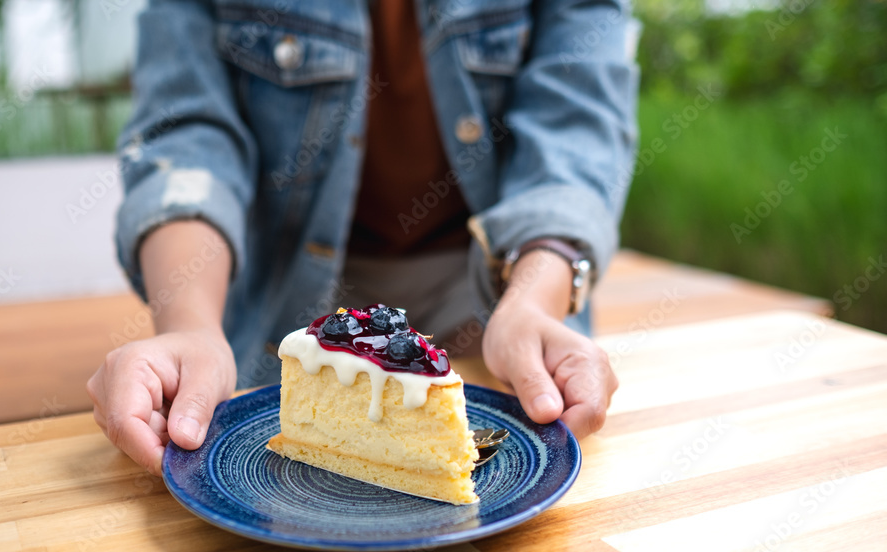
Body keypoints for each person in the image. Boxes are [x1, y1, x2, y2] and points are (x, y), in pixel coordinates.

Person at [87, 0, 639, 475]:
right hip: (285, 309)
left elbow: (577, 123)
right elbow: (186, 136)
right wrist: (191, 326)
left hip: (501, 299)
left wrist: (535, 302)